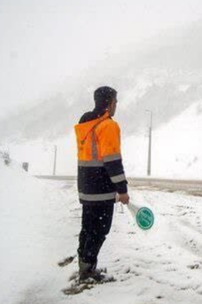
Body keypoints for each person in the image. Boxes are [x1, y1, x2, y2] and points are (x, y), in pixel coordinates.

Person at [74, 86, 129, 282]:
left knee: (88, 228)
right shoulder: (108, 125)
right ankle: (88, 272)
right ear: (109, 103)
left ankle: (84, 265)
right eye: (116, 101)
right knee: (99, 230)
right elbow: (113, 161)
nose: (117, 105)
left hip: (86, 187)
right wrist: (122, 190)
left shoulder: (86, 124)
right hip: (102, 189)